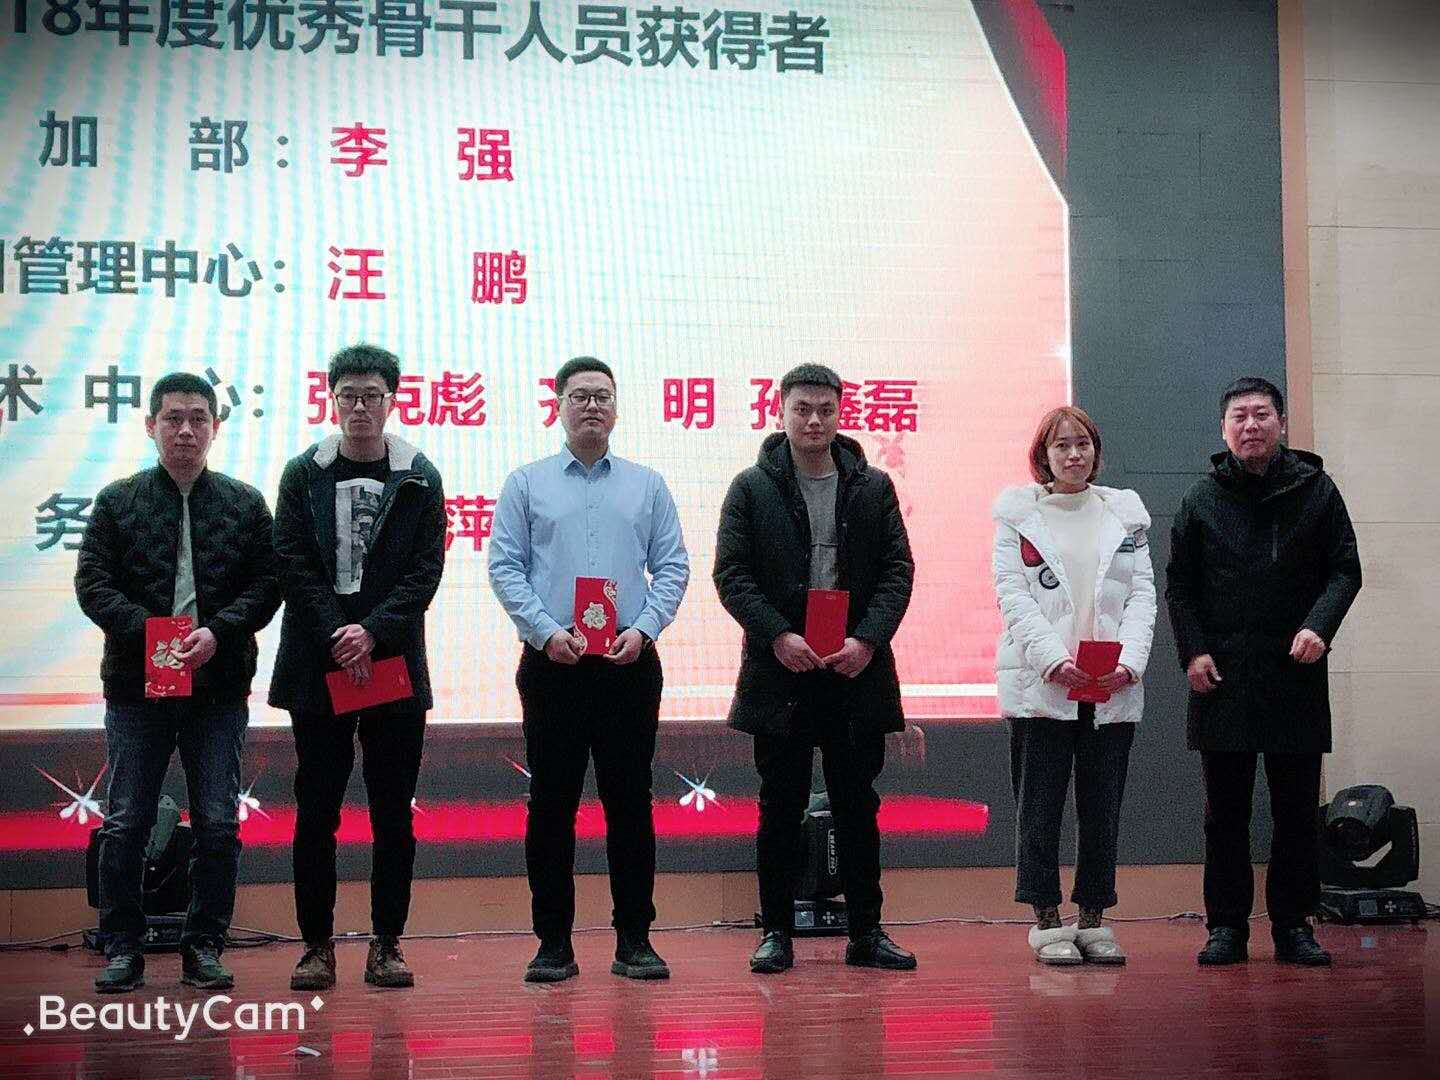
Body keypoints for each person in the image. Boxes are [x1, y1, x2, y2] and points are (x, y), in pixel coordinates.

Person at [76, 372, 281, 993]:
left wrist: (219, 631)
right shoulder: (118, 501)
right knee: (126, 821)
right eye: (173, 418)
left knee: (217, 822)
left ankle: (204, 946)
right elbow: (93, 584)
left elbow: (268, 584)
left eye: (198, 418)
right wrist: (150, 633)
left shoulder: (244, 503)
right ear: (151, 426)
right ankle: (122, 947)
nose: (186, 430)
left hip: (217, 687)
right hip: (136, 688)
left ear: (215, 427)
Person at [488, 356, 690, 983]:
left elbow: (673, 566)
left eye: (603, 396)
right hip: (554, 664)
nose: (592, 406)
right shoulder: (526, 483)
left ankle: (635, 940)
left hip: (628, 663)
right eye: (580, 396)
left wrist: (644, 628)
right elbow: (505, 567)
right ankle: (554, 944)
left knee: (630, 804)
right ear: (558, 406)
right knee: (552, 806)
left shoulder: (647, 485)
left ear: (617, 407)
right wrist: (545, 632)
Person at [714, 363, 917, 974]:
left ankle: (867, 932)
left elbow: (898, 571)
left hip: (855, 672)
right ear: (779, 412)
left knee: (858, 805)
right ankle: (775, 931)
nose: (814, 421)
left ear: (840, 413)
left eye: (825, 409)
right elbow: (731, 574)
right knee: (780, 806)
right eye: (802, 409)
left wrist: (867, 640)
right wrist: (778, 635)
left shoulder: (872, 487)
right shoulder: (751, 488)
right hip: (782, 673)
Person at [1166, 376, 1361, 967]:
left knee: (1296, 811)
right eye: (1239, 417)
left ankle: (1293, 926)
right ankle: (1226, 927)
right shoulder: (1201, 498)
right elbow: (1180, 586)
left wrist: (1319, 627)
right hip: (1221, 676)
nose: (1250, 425)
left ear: (1281, 423)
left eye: (1261, 415)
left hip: (1295, 672)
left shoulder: (1317, 491)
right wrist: (1193, 651)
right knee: (1224, 814)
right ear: (1223, 429)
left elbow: (1345, 570)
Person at [270, 343, 447, 990]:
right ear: (333, 400)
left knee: (392, 812)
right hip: (319, 664)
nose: (361, 407)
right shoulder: (303, 473)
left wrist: (372, 631)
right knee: (316, 811)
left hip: (391, 663)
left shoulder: (419, 475)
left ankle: (387, 944)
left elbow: (426, 570)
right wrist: (339, 632)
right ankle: (316, 947)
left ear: (392, 400)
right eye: (349, 396)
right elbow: (291, 560)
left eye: (373, 395)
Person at [991, 405, 1156, 965]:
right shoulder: (1019, 516)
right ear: (1044, 455)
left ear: (1095, 450)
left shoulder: (1123, 514)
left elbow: (1142, 597)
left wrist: (1129, 663)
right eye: (1061, 445)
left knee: (1101, 807)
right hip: (1043, 687)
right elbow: (1013, 597)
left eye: (1082, 443)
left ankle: (1093, 919)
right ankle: (1046, 920)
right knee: (1039, 808)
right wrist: (1054, 661)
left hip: (1110, 684)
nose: (1073, 454)